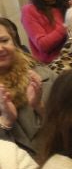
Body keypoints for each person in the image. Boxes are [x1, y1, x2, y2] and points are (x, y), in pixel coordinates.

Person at [0, 18, 49, 154]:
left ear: (14, 42)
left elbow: (71, 128)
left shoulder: (44, 75)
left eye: (4, 40)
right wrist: (5, 122)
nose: (0, 48)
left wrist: (40, 107)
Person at [20, 0, 69, 64]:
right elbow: (43, 45)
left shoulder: (65, 5)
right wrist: (67, 24)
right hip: (53, 66)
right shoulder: (29, 10)